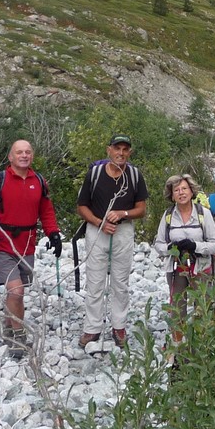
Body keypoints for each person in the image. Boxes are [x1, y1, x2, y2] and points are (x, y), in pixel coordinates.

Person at [0, 139, 61, 358]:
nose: (24, 155)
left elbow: (46, 211)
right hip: (3, 243)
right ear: (10, 157)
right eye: (19, 152)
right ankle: (18, 337)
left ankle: (8, 325)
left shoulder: (39, 181)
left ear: (32, 156)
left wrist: (53, 233)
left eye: (28, 152)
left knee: (17, 293)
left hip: (27, 244)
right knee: (16, 291)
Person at [76, 135, 149, 350]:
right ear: (109, 150)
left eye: (125, 149)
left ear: (130, 152)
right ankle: (92, 327)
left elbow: (141, 209)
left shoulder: (134, 175)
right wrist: (99, 223)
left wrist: (123, 213)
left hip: (123, 230)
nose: (121, 153)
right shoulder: (95, 174)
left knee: (120, 282)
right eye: (117, 148)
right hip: (96, 229)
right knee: (95, 280)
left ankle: (119, 327)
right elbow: (81, 206)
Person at [154, 174, 215, 340]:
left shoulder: (203, 214)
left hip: (201, 266)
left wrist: (196, 246)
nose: (181, 193)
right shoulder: (168, 215)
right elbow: (159, 244)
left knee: (203, 306)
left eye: (184, 188)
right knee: (177, 308)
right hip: (176, 268)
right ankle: (178, 345)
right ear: (172, 195)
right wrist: (170, 249)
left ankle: (203, 342)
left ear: (192, 191)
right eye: (176, 190)